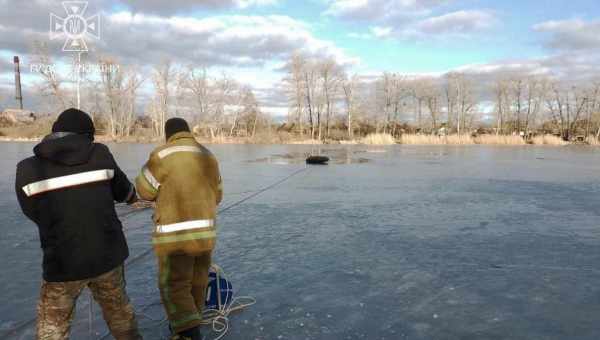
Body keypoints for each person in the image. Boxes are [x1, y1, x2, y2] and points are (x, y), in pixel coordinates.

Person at [15, 108, 142, 340]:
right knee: (120, 316)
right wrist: (134, 198)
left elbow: (32, 211)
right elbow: (124, 192)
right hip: (108, 257)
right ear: (87, 136)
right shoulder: (100, 154)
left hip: (62, 262)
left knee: (52, 328)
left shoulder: (27, 169)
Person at [135, 118, 223, 340]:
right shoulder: (208, 156)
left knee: (174, 285)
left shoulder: (161, 155)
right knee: (198, 281)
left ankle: (188, 333)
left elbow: (144, 190)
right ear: (187, 132)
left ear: (168, 134)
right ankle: (190, 327)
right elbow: (218, 195)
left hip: (174, 238)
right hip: (205, 235)